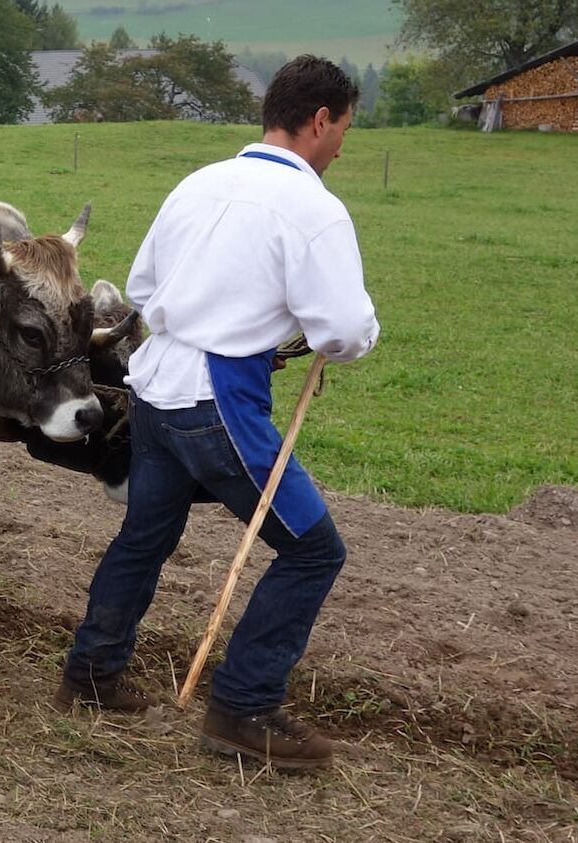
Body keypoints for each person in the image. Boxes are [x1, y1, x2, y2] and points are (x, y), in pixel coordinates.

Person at [52, 55, 380, 771]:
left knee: (145, 534)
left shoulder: (199, 184)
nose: (342, 147)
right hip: (219, 398)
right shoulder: (315, 209)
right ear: (319, 120)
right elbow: (344, 332)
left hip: (155, 388)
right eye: (342, 130)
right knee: (315, 548)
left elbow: (141, 283)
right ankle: (245, 705)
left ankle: (92, 671)